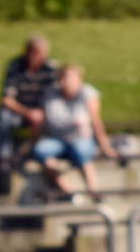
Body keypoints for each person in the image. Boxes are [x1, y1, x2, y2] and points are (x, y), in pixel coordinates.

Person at [30, 63, 118, 199]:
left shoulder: (87, 94)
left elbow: (96, 121)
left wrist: (105, 146)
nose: (66, 82)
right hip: (57, 139)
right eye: (64, 78)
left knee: (81, 151)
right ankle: (68, 191)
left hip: (79, 138)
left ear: (79, 79)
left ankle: (93, 190)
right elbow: (43, 120)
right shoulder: (51, 94)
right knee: (41, 150)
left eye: (70, 78)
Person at [0, 34, 60, 192]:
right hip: (19, 111)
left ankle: (47, 152)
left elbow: (56, 97)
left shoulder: (51, 68)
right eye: (34, 53)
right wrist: (28, 113)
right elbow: (7, 99)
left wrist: (42, 113)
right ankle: (5, 158)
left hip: (43, 111)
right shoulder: (15, 66)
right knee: (4, 117)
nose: (38, 57)